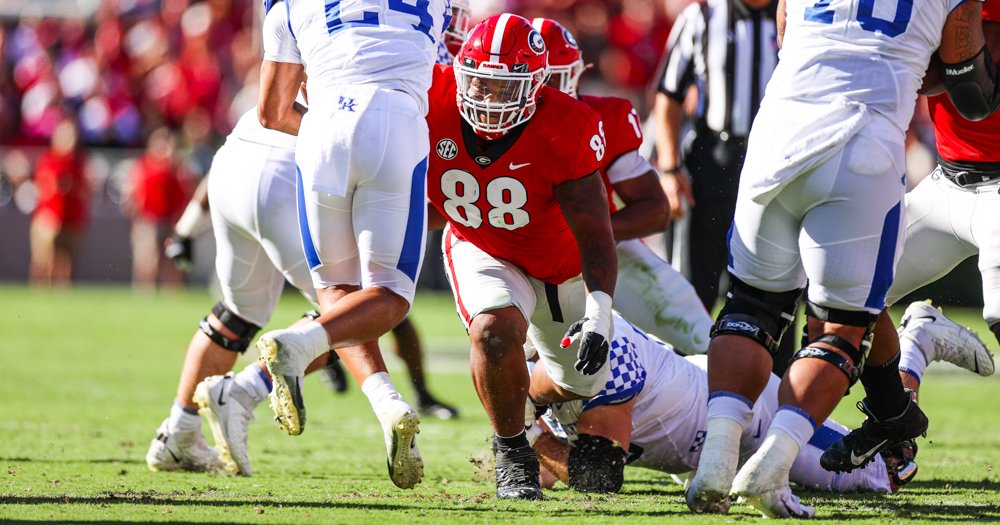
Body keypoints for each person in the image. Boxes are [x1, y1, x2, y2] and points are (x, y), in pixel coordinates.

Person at [686, 0, 1000, 518]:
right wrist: (915, 59)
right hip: (864, 145)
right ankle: (781, 462)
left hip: (777, 134)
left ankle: (719, 459)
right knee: (841, 326)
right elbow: (973, 95)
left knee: (751, 306)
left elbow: (787, 38)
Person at [254, 0, 451, 490]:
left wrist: (336, 127)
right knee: (390, 294)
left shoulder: (290, 8)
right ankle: (300, 344)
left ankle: (387, 405)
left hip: (321, 122)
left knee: (336, 290)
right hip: (397, 118)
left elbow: (272, 113)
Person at [426, 14, 618, 499]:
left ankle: (526, 397)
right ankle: (512, 450)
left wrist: (600, 312)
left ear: (537, 84)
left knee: (582, 380)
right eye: (479, 82)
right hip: (479, 243)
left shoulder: (566, 125)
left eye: (503, 86)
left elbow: (596, 231)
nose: (487, 97)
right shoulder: (429, 96)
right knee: (493, 330)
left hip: (557, 266)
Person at [525, 311, 967, 496]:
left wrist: (527, 431)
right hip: (700, 450)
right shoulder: (529, 372)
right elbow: (550, 467)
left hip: (747, 412)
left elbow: (598, 475)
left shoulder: (596, 351)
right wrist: (529, 441)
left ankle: (917, 343)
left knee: (887, 470)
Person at [533, 17, 713, 356]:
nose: (546, 92)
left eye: (554, 79)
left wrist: (591, 233)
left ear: (575, 75)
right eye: (537, 80)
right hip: (521, 257)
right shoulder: (486, 131)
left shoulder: (602, 118)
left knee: (703, 337)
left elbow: (656, 210)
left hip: (596, 248)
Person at [652, 0, 779, 312]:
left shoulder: (796, 14)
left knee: (774, 280)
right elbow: (668, 94)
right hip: (713, 159)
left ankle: (775, 360)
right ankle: (690, 359)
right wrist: (669, 168)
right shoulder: (702, 16)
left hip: (776, 161)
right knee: (697, 281)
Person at [123, 127, 188, 290]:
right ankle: (145, 292)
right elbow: (133, 192)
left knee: (172, 261)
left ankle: (172, 294)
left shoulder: (176, 167)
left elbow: (183, 192)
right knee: (147, 260)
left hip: (169, 219)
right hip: (148, 219)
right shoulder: (143, 165)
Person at [29, 118, 89, 287]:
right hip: (50, 215)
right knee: (44, 259)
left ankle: (63, 294)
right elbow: (45, 186)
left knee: (68, 260)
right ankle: (40, 292)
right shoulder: (48, 159)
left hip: (70, 217)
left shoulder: (78, 163)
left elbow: (83, 189)